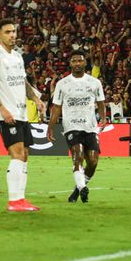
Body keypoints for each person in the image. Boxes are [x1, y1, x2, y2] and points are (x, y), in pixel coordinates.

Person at [0, 19, 46, 212]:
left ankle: (21, 199)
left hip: (22, 112)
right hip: (7, 113)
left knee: (25, 154)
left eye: (14, 32)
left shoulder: (18, 57)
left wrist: (35, 99)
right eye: (8, 32)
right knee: (17, 153)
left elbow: (23, 82)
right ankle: (14, 201)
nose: (13, 35)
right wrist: (2, 109)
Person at [47, 50, 106, 203]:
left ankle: (78, 189)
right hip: (71, 126)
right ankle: (82, 188)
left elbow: (100, 103)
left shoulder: (94, 82)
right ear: (70, 63)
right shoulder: (62, 84)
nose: (77, 63)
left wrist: (104, 119)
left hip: (90, 126)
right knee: (78, 156)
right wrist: (50, 127)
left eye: (80, 61)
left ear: (85, 63)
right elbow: (57, 108)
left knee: (92, 162)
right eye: (74, 61)